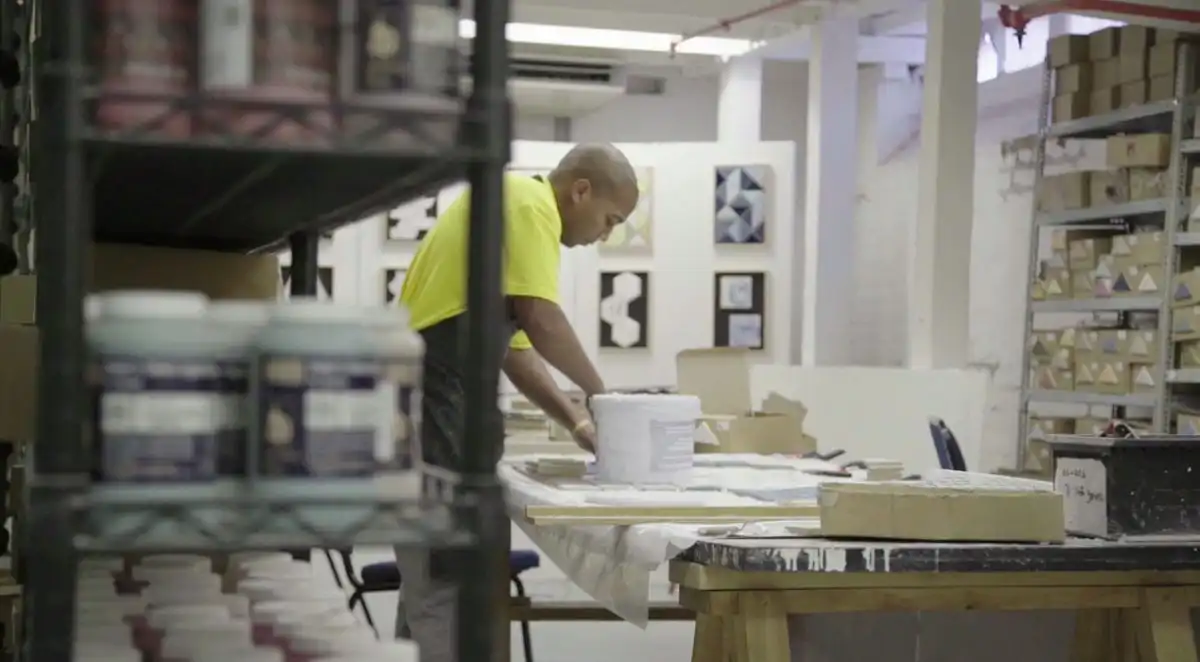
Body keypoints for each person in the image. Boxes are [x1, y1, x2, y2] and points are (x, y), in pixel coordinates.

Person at [393, 143, 641, 661]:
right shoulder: (529, 205)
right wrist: (606, 397)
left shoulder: (509, 205)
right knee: (447, 584)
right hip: (431, 404)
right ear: (580, 191)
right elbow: (540, 317)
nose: (605, 234)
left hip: (438, 405)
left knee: (442, 581)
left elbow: (519, 351)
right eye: (609, 219)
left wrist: (577, 420)